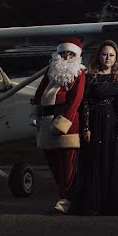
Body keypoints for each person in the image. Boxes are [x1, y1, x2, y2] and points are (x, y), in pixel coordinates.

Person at [69, 40, 118, 215]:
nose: (108, 58)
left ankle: (113, 204)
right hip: (95, 123)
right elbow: (84, 103)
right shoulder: (91, 76)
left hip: (115, 123)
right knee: (95, 160)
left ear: (116, 58)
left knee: (115, 160)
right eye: (105, 54)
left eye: (112, 55)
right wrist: (85, 128)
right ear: (99, 56)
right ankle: (94, 204)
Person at [31, 37, 86, 214]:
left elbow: (75, 101)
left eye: (70, 54)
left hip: (66, 124)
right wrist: (35, 113)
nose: (66, 57)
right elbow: (40, 94)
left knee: (67, 166)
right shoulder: (51, 71)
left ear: (76, 55)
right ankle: (62, 196)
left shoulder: (80, 73)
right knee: (53, 163)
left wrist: (62, 124)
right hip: (46, 122)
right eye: (63, 53)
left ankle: (67, 200)